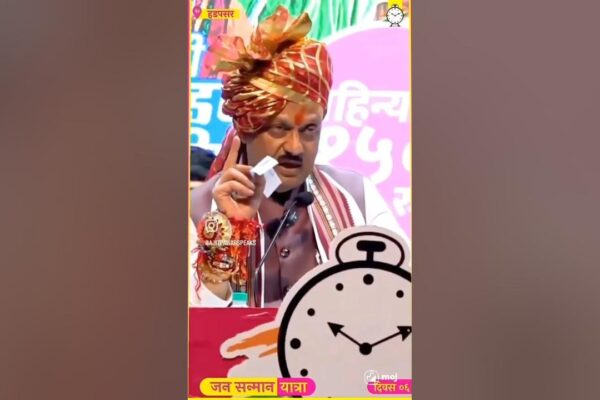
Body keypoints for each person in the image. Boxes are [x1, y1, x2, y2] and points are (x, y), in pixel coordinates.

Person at [190, 6, 407, 307]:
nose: (295, 147)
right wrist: (227, 239)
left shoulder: (357, 197)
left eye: (309, 130)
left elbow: (403, 296)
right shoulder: (196, 209)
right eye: (279, 129)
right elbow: (195, 324)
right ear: (247, 128)